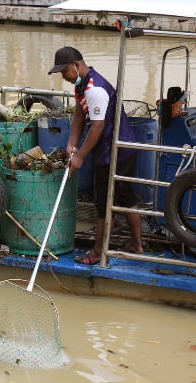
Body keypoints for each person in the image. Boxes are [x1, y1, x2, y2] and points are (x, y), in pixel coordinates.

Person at [48, 46, 143, 264]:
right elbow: (79, 117)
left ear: (77, 65)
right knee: (120, 197)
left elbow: (97, 127)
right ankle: (136, 245)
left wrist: (79, 156)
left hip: (117, 150)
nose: (64, 77)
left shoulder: (95, 89)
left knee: (109, 200)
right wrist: (71, 144)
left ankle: (99, 251)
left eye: (65, 72)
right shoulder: (80, 87)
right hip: (108, 149)